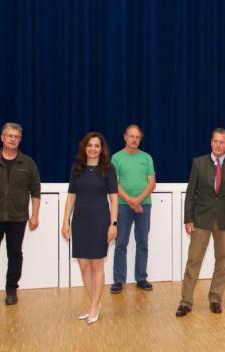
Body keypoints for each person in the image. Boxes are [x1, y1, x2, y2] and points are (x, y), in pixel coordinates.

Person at [176, 128, 225, 317]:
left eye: (222, 142)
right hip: (201, 219)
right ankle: (186, 302)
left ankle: (215, 299)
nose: (218, 145)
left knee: (222, 261)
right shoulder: (198, 163)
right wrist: (188, 218)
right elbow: (191, 193)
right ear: (211, 143)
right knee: (193, 261)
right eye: (216, 141)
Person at [0, 123, 41, 308]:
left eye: (17, 136)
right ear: (2, 137)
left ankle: (11, 290)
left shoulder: (27, 163)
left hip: (18, 218)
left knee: (15, 254)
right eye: (9, 135)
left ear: (20, 140)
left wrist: (35, 215)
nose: (13, 139)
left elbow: (35, 190)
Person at [61, 132, 118, 325]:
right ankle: (95, 303)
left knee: (96, 265)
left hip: (100, 220)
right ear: (84, 147)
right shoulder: (77, 168)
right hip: (80, 221)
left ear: (101, 149)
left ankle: (94, 306)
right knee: (83, 264)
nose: (93, 149)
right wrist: (65, 221)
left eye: (97, 146)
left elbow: (114, 198)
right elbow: (71, 197)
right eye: (90, 145)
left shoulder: (108, 169)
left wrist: (113, 224)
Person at [111, 124, 156, 294]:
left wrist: (138, 200)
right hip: (122, 205)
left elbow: (152, 183)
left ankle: (141, 278)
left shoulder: (147, 158)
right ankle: (118, 280)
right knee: (121, 242)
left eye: (137, 137)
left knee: (142, 242)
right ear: (125, 137)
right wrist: (131, 200)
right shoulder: (116, 158)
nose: (134, 139)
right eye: (131, 136)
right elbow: (114, 183)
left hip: (144, 204)